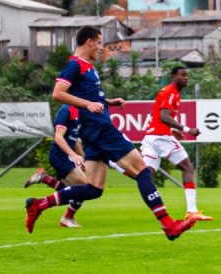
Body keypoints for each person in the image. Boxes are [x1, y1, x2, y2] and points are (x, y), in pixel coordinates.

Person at [24, 26, 201, 240]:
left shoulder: (88, 67)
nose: (100, 48)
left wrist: (107, 102)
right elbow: (57, 94)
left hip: (91, 133)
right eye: (99, 43)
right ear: (89, 42)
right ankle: (168, 225)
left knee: (93, 189)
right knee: (143, 172)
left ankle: (38, 204)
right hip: (101, 129)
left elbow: (86, 95)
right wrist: (89, 104)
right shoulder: (75, 65)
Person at [141, 66, 211, 221]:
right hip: (160, 137)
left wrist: (173, 132)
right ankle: (191, 211)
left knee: (146, 176)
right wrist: (187, 129)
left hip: (150, 138)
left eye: (187, 75)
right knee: (187, 167)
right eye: (182, 75)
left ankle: (119, 166)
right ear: (173, 76)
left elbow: (155, 114)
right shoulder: (170, 92)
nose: (186, 78)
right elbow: (164, 117)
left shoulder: (171, 92)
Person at [23, 104, 88, 228]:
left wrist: (82, 157)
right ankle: (65, 216)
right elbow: (58, 137)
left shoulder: (79, 111)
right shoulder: (66, 109)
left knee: (72, 191)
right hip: (60, 155)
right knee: (85, 188)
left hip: (67, 156)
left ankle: (44, 179)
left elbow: (74, 139)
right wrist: (73, 154)